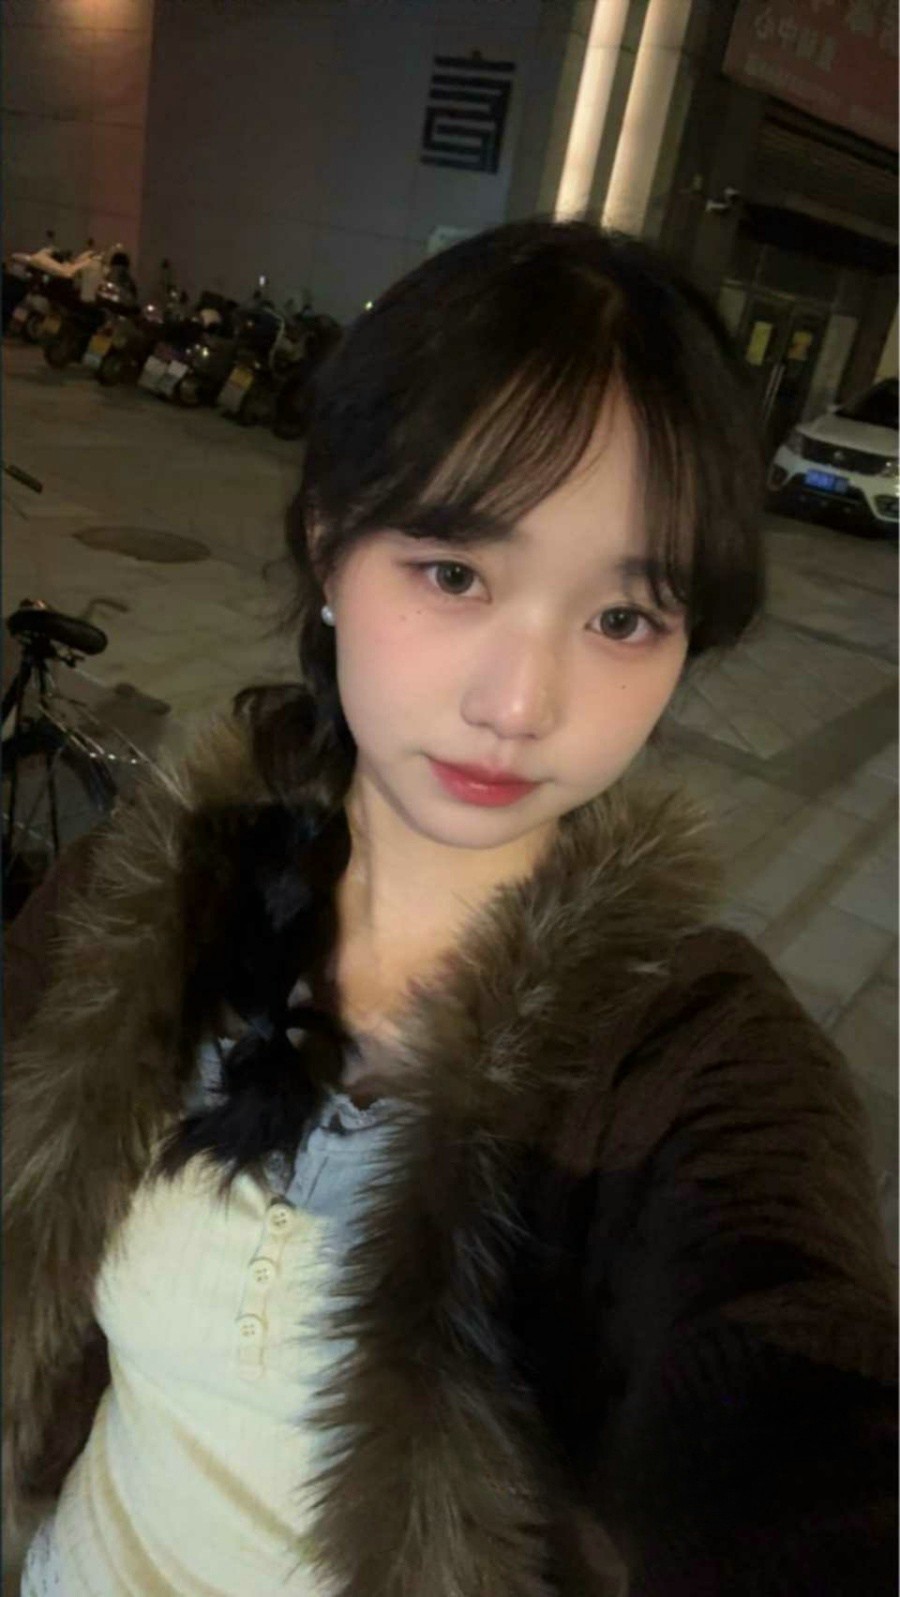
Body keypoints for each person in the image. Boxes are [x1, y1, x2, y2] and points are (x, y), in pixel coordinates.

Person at [4, 220, 895, 1597]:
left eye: (623, 619)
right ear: (328, 544)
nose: (521, 703)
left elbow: (789, 1377)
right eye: (456, 574)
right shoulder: (140, 896)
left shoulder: (687, 1059)